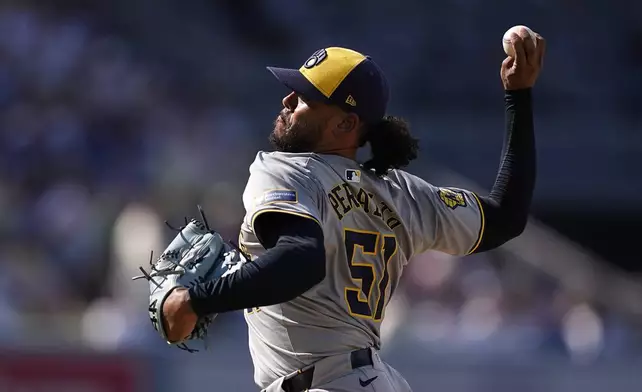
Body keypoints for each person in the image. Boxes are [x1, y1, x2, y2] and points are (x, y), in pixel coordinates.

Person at [160, 30, 546, 392]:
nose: (287, 101)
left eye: (304, 97)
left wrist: (196, 300)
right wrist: (520, 96)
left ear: (346, 123)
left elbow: (300, 258)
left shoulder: (286, 169)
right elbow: (504, 218)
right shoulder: (400, 192)